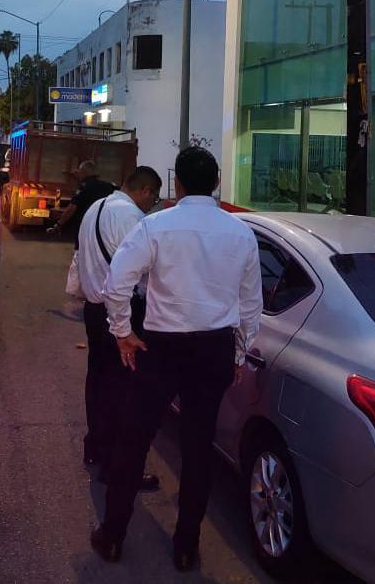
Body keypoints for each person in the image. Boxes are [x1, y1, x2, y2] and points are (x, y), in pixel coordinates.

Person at [91, 147, 262, 572]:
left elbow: (117, 284)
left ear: (178, 184)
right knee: (198, 448)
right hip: (213, 349)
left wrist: (123, 332)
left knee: (135, 439)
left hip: (163, 348)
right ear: (217, 183)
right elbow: (250, 305)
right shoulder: (240, 234)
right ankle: (187, 547)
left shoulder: (156, 225)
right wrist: (238, 352)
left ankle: (113, 536)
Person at [76, 165, 162, 494]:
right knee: (124, 392)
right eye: (152, 197)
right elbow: (135, 274)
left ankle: (96, 447)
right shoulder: (132, 219)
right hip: (120, 314)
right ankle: (118, 467)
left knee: (98, 383)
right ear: (144, 191)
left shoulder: (96, 208)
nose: (151, 203)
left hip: (94, 309)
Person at [47, 160, 115, 246]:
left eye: (80, 171)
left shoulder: (84, 187)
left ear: (84, 172)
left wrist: (58, 224)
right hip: (103, 230)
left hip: (85, 229)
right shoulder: (108, 187)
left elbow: (71, 208)